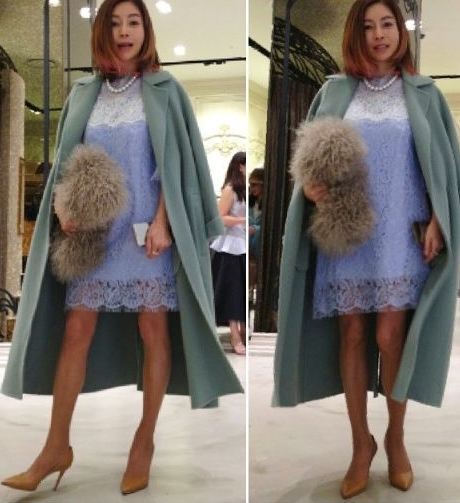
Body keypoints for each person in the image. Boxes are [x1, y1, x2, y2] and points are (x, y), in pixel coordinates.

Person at [1, 0, 242, 496]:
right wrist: (63, 206)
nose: (124, 31)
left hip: (147, 233)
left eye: (133, 22)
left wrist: (164, 223)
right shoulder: (84, 93)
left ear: (146, 30)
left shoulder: (165, 89)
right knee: (76, 330)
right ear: (103, 32)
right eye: (114, 23)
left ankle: (144, 441)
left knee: (154, 329)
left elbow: (175, 164)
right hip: (95, 235)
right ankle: (55, 447)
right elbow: (67, 160)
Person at [273, 0, 460, 499]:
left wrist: (440, 219)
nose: (379, 34)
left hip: (400, 234)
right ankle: (360, 444)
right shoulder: (335, 91)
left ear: (401, 32)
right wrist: (309, 185)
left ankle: (396, 438)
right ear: (356, 34)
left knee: (390, 336)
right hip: (346, 231)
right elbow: (309, 158)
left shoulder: (424, 93)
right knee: (351, 333)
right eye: (368, 26)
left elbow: (445, 167)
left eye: (387, 24)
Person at [211, 152, 247, 355]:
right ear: (240, 166)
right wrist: (243, 221)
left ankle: (242, 332)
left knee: (241, 292)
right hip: (229, 248)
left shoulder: (243, 190)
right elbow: (221, 218)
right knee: (232, 293)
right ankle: (235, 337)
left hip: (242, 245)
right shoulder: (230, 189)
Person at [248, 167, 264, 306]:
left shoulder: (269, 203)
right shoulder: (249, 202)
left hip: (260, 244)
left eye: (255, 184)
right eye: (250, 185)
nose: (252, 188)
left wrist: (256, 229)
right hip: (248, 244)